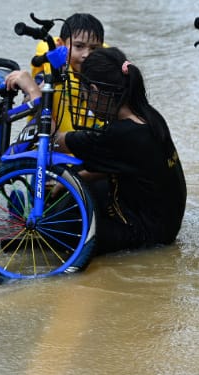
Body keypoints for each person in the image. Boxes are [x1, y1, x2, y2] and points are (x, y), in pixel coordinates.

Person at [55, 47, 187, 256]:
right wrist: (73, 180)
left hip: (146, 234)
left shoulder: (121, 134)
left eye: (84, 91)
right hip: (163, 222)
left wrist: (35, 95)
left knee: (57, 231)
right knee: (74, 178)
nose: (83, 98)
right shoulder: (148, 116)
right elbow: (123, 165)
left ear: (95, 92)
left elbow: (57, 141)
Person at [4, 12, 104, 134]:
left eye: (94, 49)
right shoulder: (51, 71)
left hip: (83, 146)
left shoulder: (104, 76)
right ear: (61, 45)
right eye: (79, 46)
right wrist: (33, 90)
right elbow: (27, 102)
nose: (86, 55)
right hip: (49, 143)